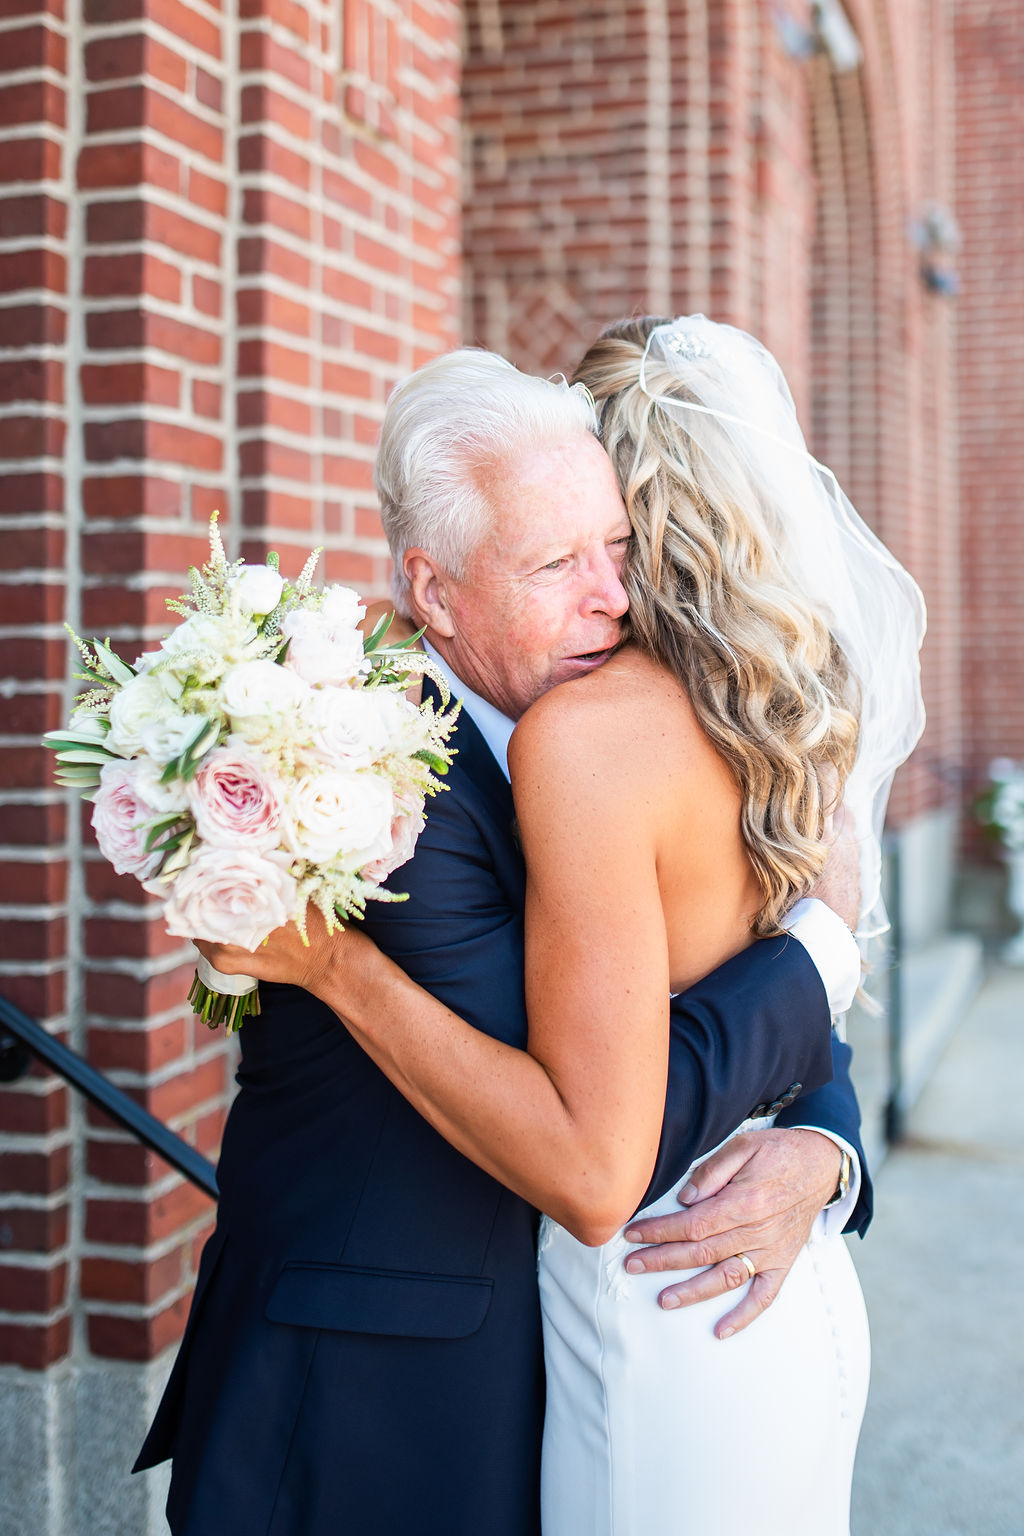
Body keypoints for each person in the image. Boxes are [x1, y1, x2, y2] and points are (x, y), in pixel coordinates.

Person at [136, 330, 888, 1536]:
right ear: (432, 590)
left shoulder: (613, 721)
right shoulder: (372, 790)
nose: (609, 595)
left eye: (620, 548)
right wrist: (823, 950)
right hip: (370, 1401)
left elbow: (706, 980)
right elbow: (606, 1139)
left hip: (570, 1374)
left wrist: (821, 1143)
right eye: (554, 564)